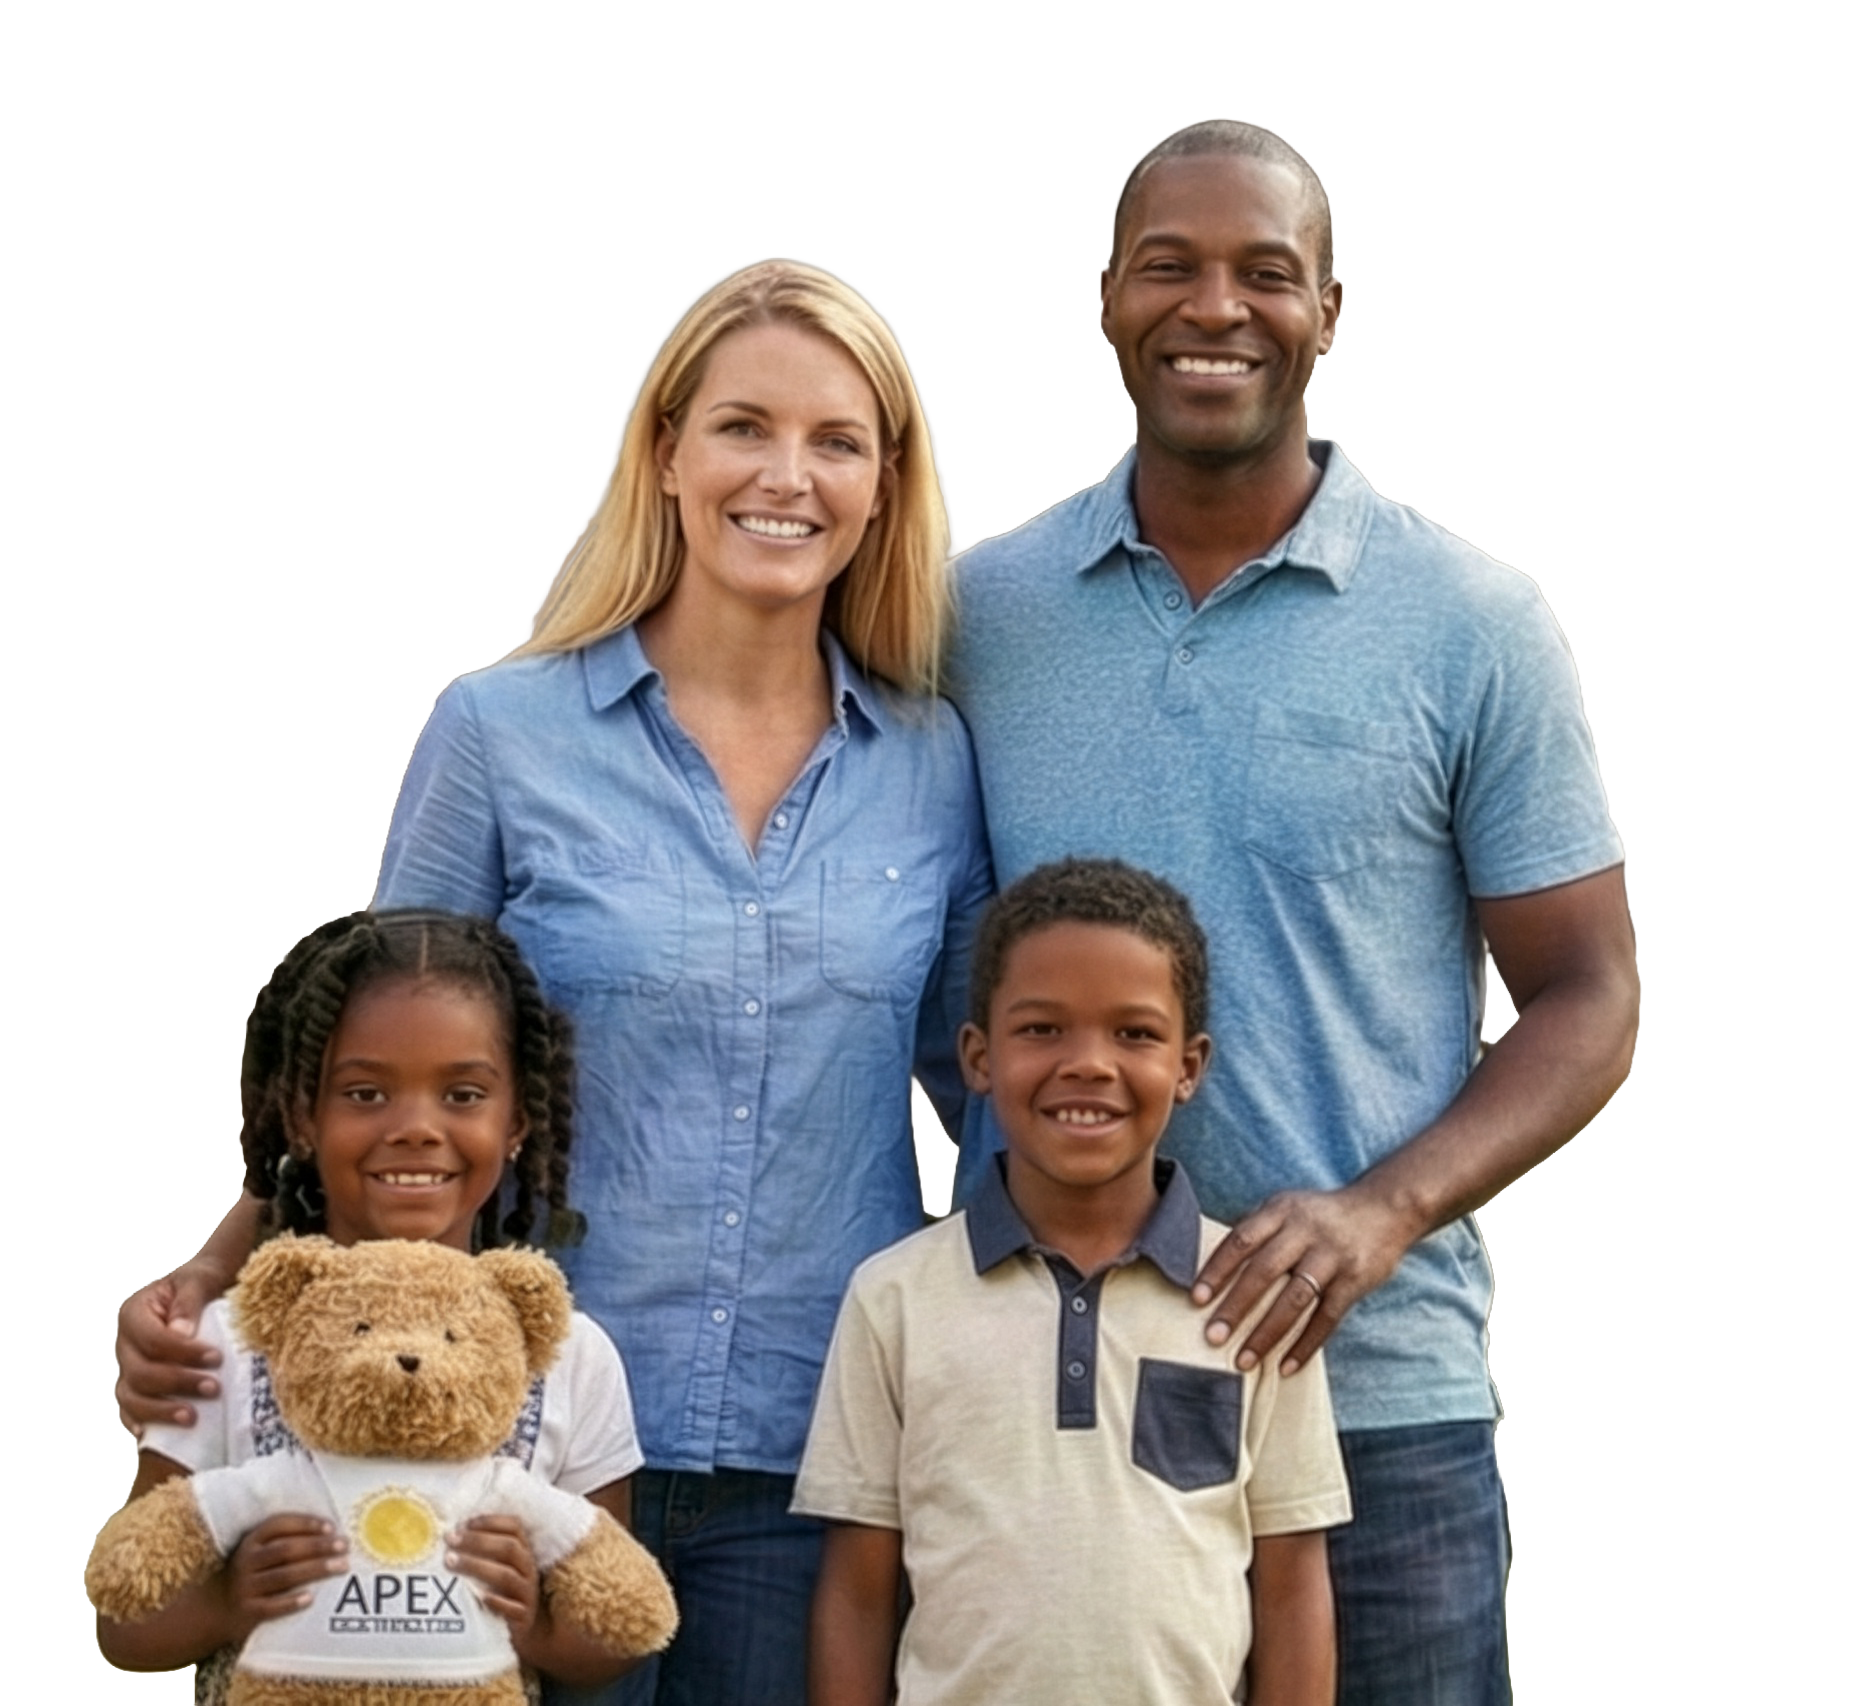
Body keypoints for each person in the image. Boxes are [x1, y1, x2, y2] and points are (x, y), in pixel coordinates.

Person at [114, 260, 992, 1706]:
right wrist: (212, 1281)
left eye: (837, 440)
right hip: (510, 1447)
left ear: (887, 484)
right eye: (740, 427)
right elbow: (374, 1059)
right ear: (663, 450)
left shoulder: (931, 760)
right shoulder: (500, 731)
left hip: (819, 1451)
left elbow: (988, 1101)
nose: (786, 475)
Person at [943, 123, 1641, 1704]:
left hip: (1375, 1400)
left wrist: (1377, 1211)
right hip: (1058, 1388)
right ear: (1105, 299)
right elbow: (928, 956)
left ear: (1330, 308)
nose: (1216, 306)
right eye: (1170, 266)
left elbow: (1589, 993)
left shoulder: (1471, 621)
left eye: (1265, 272)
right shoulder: (976, 611)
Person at [798, 858, 1352, 1706]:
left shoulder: (1255, 1296)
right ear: (978, 1057)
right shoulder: (895, 1299)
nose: (1089, 1064)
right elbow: (859, 1590)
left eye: (1134, 1033)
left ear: (1189, 1064)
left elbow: (1291, 1585)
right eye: (1042, 1030)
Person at [94, 909, 648, 1702]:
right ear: (302, 1118)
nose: (416, 1129)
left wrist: (536, 1625)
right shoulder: (228, 1340)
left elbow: (615, 1631)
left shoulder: (568, 1354)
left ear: (518, 1120)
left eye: (462, 1093)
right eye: (365, 1092)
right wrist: (225, 1602)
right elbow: (126, 1624)